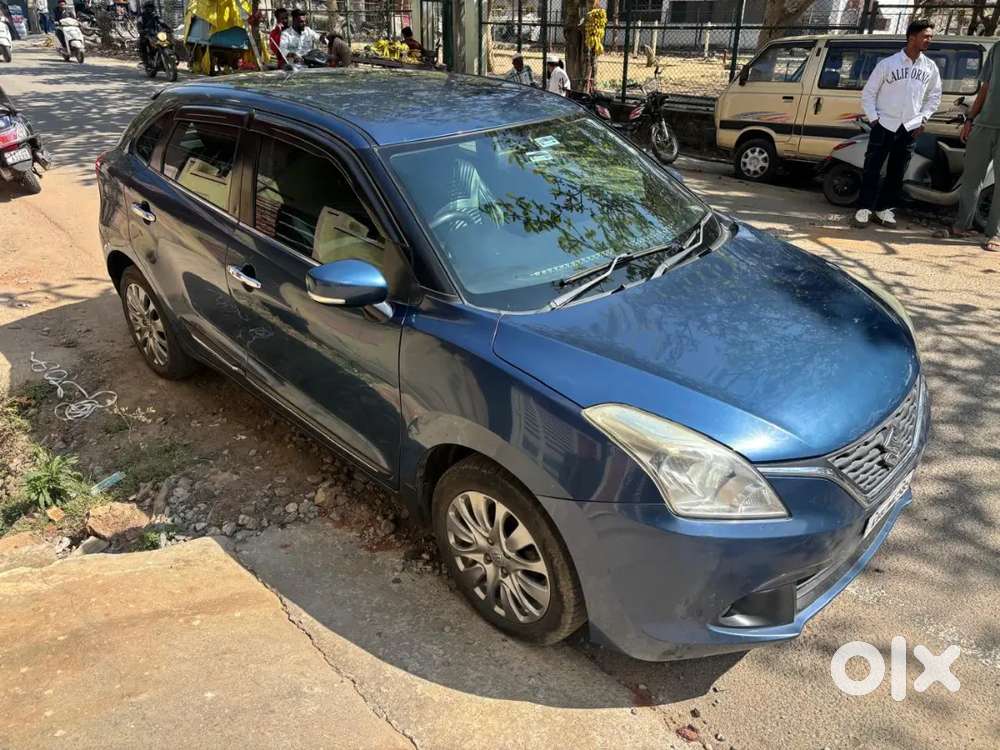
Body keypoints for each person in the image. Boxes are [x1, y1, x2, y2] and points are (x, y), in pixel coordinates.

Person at [855, 19, 941, 228]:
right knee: (872, 167)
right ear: (912, 37)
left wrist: (924, 118)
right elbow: (868, 94)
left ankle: (884, 209)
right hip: (884, 124)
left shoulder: (930, 67)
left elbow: (934, 96)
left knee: (897, 171)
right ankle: (864, 208)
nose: (929, 40)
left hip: (910, 128)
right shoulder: (888, 64)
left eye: (930, 36)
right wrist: (875, 119)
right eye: (926, 36)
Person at [951, 42, 1000, 250]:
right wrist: (970, 119)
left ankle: (995, 233)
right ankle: (961, 226)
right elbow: (986, 87)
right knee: (972, 178)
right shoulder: (997, 48)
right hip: (983, 124)